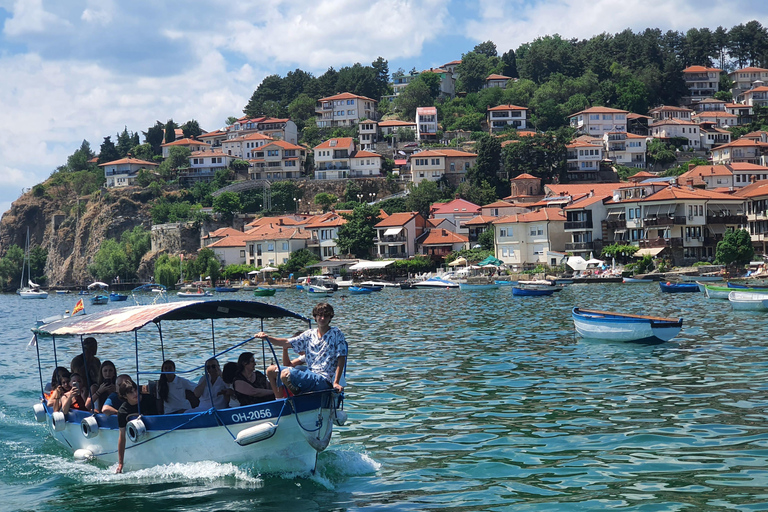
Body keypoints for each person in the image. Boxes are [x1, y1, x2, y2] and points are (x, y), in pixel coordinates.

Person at [255, 302, 347, 395]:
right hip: (310, 374)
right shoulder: (309, 334)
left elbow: (341, 357)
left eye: (326, 316)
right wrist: (267, 338)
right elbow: (286, 342)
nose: (322, 318)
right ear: (315, 317)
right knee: (270, 371)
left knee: (286, 374)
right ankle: (279, 399)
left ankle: (298, 394)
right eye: (320, 315)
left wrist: (336, 382)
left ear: (330, 318)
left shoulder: (336, 333)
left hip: (324, 379)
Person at [115, 376, 156, 474]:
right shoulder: (123, 411)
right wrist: (120, 463)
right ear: (125, 396)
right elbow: (122, 437)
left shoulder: (149, 399)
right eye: (131, 392)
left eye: (135, 390)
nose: (135, 394)